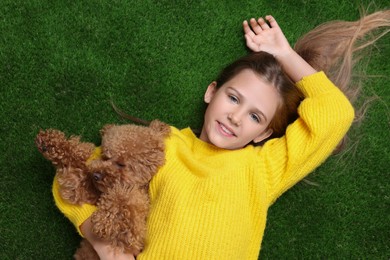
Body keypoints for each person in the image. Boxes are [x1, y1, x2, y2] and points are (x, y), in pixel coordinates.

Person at [52, 11, 390, 259]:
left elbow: (335, 113)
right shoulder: (164, 144)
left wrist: (285, 54)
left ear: (263, 134)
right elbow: (76, 173)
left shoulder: (265, 167)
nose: (236, 117)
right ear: (211, 92)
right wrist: (104, 245)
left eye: (255, 116)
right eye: (233, 98)